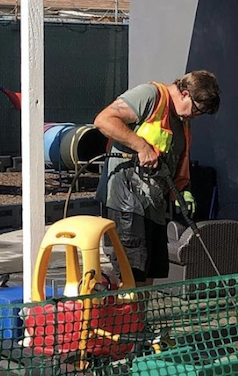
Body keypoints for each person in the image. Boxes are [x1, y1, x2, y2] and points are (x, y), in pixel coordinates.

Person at [93, 70, 220, 286]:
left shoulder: (181, 120)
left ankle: (140, 320)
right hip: (128, 203)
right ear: (185, 93)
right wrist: (141, 146)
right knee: (132, 277)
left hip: (155, 207)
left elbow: (175, 162)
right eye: (197, 110)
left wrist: (183, 191)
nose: (195, 116)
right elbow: (103, 120)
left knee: (148, 276)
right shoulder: (150, 97)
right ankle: (128, 318)